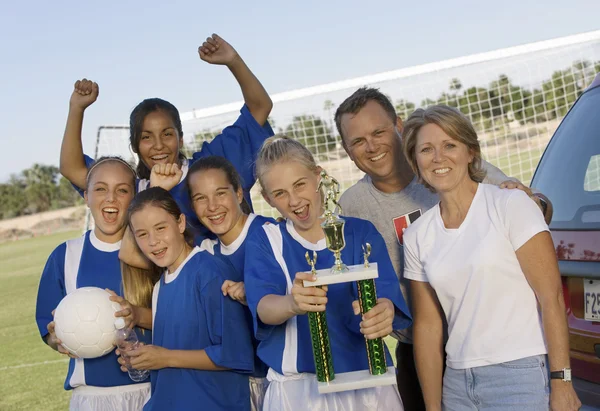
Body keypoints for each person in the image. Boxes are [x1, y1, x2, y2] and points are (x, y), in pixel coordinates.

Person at [333, 87, 551, 410]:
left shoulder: (448, 167)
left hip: (493, 348)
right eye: (358, 141)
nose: (371, 146)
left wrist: (536, 200)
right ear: (347, 150)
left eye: (378, 132)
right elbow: (355, 287)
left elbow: (532, 209)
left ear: (400, 126)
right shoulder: (349, 207)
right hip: (419, 348)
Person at [401, 105, 581, 411]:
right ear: (416, 162)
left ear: (470, 152)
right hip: (456, 384)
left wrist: (562, 381)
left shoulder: (510, 205)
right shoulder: (417, 234)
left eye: (449, 145)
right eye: (426, 149)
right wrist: (432, 407)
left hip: (519, 376)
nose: (438, 158)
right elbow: (428, 326)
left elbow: (550, 297)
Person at [244, 136, 412, 411]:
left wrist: (384, 312)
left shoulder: (361, 232)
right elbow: (263, 307)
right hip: (298, 387)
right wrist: (292, 303)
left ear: (318, 176)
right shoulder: (266, 240)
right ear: (267, 199)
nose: (295, 200)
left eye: (300, 184)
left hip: (368, 380)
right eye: (280, 193)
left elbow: (386, 298)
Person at [59, 34, 273, 247]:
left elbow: (260, 107)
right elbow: (71, 168)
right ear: (134, 146)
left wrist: (233, 61)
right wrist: (76, 108)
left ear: (180, 139)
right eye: (146, 137)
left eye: (167, 134)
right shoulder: (133, 192)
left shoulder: (212, 166)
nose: (158, 145)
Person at [35, 156, 155, 411]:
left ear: (135, 198)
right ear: (86, 196)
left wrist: (136, 315)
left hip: (153, 391)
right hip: (92, 398)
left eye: (122, 190)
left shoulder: (153, 251)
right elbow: (48, 328)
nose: (111, 198)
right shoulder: (65, 255)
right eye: (100, 189)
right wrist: (58, 338)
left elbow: (180, 317)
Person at [125, 187, 254, 410]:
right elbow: (175, 350)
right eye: (142, 234)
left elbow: (235, 354)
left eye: (160, 228)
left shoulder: (210, 272)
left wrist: (165, 357)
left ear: (181, 223)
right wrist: (143, 357)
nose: (153, 241)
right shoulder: (160, 286)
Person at [186, 155, 274, 411]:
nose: (212, 206)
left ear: (238, 193)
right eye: (201, 198)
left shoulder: (269, 233)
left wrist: (258, 291)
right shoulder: (206, 252)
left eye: (220, 193)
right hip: (237, 384)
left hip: (280, 378)